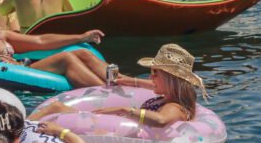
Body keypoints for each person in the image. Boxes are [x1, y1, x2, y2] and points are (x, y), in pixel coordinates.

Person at [34, 43, 207, 127]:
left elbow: (161, 120)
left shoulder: (174, 108)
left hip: (111, 128)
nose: (150, 76)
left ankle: (17, 131)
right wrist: (132, 81)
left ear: (171, 80)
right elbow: (158, 87)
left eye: (155, 73)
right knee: (57, 107)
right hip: (113, 122)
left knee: (55, 107)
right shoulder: (172, 95)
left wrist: (124, 110)